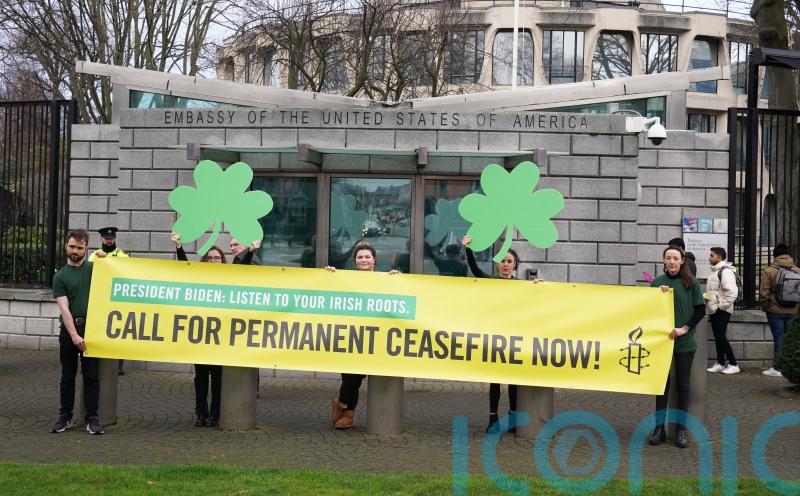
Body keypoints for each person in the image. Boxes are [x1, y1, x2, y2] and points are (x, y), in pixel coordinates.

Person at [172, 233, 261, 426]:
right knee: (201, 378)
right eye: (210, 258)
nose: (213, 261)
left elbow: (243, 270)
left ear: (222, 261)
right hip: (200, 335)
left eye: (217, 258)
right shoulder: (199, 277)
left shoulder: (228, 277)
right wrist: (179, 247)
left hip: (220, 336)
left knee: (218, 377)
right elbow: (184, 268)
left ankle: (215, 413)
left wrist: (251, 250)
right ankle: (200, 413)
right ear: (205, 261)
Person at [462, 235, 543, 434]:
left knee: (513, 380)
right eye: (502, 261)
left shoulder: (522, 286)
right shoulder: (491, 283)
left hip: (514, 339)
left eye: (509, 262)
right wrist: (468, 249)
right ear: (497, 264)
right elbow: (475, 271)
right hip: (496, 338)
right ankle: (493, 419)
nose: (505, 265)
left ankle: (513, 419)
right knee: (495, 380)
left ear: (515, 265)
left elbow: (535, 300)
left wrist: (542, 288)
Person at [327, 242, 399, 429]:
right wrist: (329, 276)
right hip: (350, 335)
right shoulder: (346, 279)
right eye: (360, 257)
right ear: (355, 261)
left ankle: (342, 406)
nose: (364, 260)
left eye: (367, 257)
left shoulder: (385, 279)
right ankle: (347, 411)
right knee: (350, 376)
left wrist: (397, 279)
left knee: (357, 376)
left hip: (375, 336)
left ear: (374, 260)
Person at [648, 245, 705, 449]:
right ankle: (659, 428)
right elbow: (648, 311)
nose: (671, 262)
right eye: (668, 258)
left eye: (675, 258)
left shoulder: (691, 283)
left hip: (684, 342)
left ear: (682, 261)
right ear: (663, 261)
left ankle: (681, 429)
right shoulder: (657, 283)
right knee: (662, 385)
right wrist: (659, 297)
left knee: (683, 385)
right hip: (662, 343)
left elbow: (700, 311)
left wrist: (684, 329)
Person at [50, 229, 104, 435]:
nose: (75, 251)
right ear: (66, 246)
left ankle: (93, 418)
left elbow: (113, 270)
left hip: (92, 329)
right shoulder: (60, 276)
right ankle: (65, 416)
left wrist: (104, 257)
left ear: (86, 249)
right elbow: (64, 309)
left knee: (91, 376)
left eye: (79, 248)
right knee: (67, 376)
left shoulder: (94, 269)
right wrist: (74, 336)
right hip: (69, 331)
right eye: (72, 246)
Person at [89, 226, 130, 375]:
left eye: (111, 238)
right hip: (100, 299)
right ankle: (94, 361)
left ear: (115, 239)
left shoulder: (122, 256)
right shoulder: (94, 256)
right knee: (98, 329)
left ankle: (119, 365)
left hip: (118, 299)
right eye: (106, 238)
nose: (109, 240)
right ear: (101, 239)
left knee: (119, 331)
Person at [759, 243, 800, 378]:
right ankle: (789, 367)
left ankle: (777, 367)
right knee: (789, 340)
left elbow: (764, 293)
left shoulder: (769, 271)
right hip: (793, 310)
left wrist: (766, 307)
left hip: (775, 311)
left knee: (779, 339)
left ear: (774, 255)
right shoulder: (797, 270)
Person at [705, 247, 740, 375]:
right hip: (715, 309)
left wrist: (721, 307)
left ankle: (733, 363)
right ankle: (720, 363)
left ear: (719, 258)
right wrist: (705, 297)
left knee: (720, 337)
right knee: (718, 337)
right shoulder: (715, 271)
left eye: (712, 255)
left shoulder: (725, 272)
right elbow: (714, 291)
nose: (709, 257)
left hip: (721, 310)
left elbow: (731, 293)